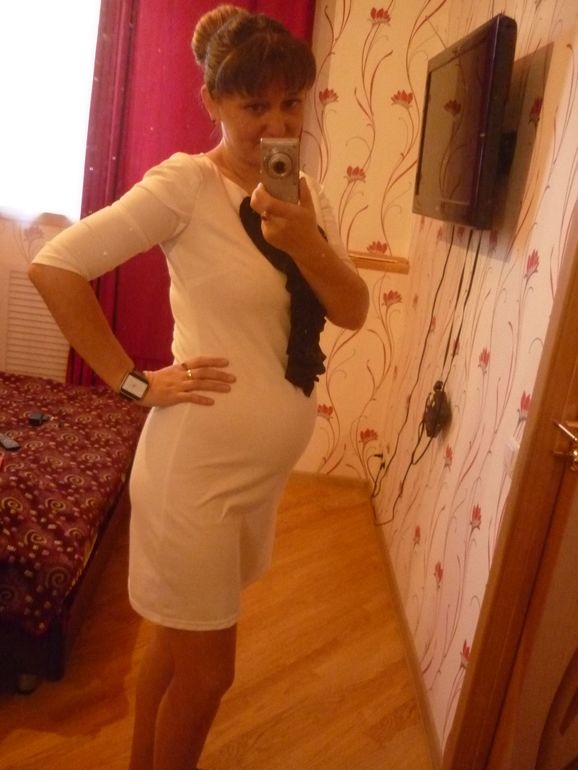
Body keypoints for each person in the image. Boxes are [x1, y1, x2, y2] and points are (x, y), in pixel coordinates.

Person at [29, 5, 369, 769]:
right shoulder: (187, 184)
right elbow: (55, 267)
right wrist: (131, 382)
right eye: (255, 105)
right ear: (213, 101)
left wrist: (305, 240)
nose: (277, 121)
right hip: (196, 475)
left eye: (291, 102)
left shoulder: (303, 196)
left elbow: (351, 309)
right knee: (211, 674)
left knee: (177, 642)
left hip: (253, 482)